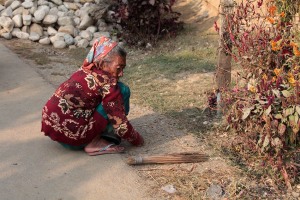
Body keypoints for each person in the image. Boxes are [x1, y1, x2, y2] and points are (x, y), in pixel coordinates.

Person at [41, 37, 144, 156]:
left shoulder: (84, 70)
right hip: (74, 139)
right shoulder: (108, 84)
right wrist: (138, 140)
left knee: (107, 99)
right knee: (123, 90)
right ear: (103, 63)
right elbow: (120, 124)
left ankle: (95, 134)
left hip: (53, 130)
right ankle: (94, 142)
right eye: (119, 68)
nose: (121, 73)